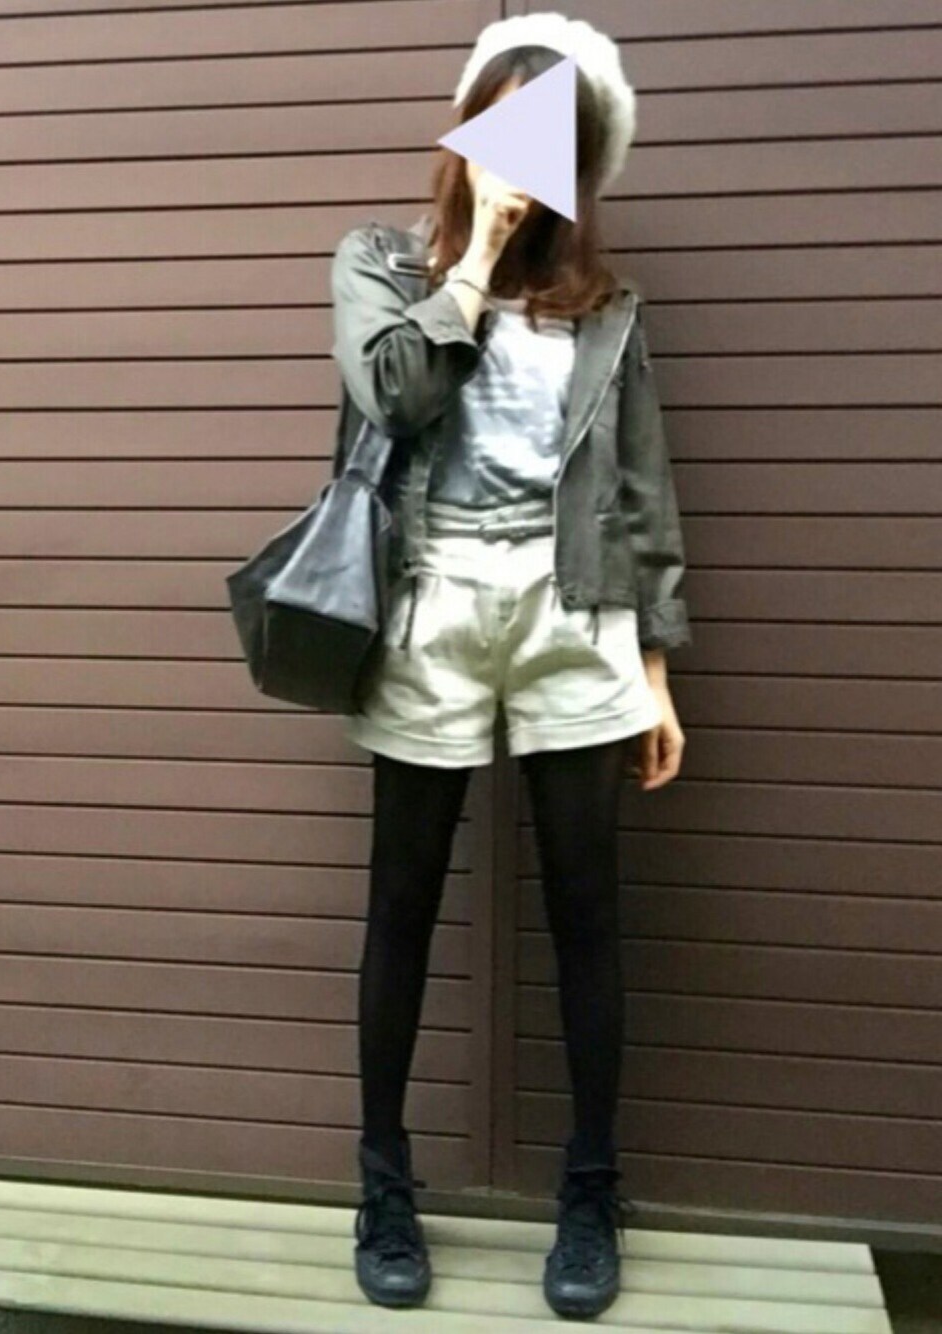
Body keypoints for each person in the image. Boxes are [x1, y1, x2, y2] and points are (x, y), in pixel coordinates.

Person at [329, 12, 692, 1320]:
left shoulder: (607, 308)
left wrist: (655, 668)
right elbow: (394, 396)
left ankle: (590, 1190)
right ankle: (383, 1185)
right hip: (429, 604)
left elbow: (641, 492)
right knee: (403, 903)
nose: (526, 160)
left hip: (570, 610)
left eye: (553, 143)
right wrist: (476, 257)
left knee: (586, 911)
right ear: (469, 127)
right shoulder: (381, 262)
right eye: (507, 128)